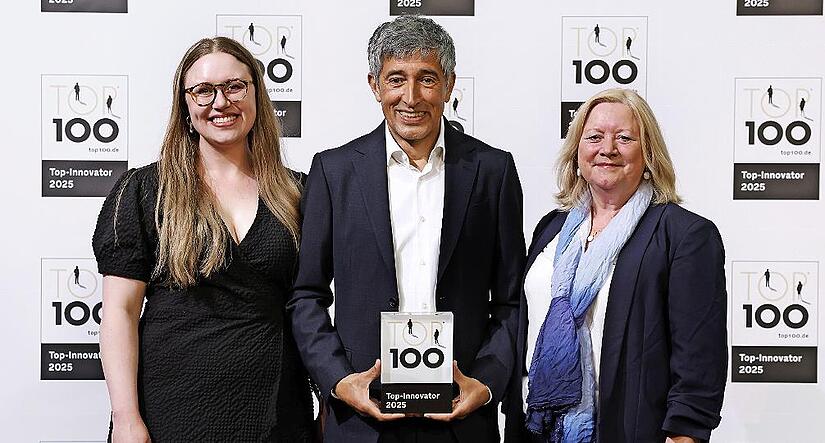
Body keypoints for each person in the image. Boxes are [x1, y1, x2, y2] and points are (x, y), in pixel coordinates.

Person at [287, 15, 525, 443]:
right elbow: (306, 295)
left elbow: (511, 301)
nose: (411, 97)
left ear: (450, 86)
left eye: (427, 79)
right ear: (375, 85)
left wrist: (486, 383)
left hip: (461, 417)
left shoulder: (493, 171)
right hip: (362, 419)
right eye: (396, 78)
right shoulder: (334, 171)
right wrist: (341, 382)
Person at [93, 36, 315, 442]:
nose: (220, 103)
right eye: (203, 90)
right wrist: (126, 417)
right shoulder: (144, 191)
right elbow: (120, 312)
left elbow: (314, 305)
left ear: (256, 93)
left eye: (234, 87)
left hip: (277, 409)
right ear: (184, 103)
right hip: (169, 410)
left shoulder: (300, 193)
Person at [503, 89, 727, 443]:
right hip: (539, 428)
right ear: (577, 151)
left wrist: (686, 434)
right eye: (594, 137)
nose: (607, 149)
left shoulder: (683, 235)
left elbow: (699, 360)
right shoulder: (552, 228)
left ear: (648, 153)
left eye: (624, 138)